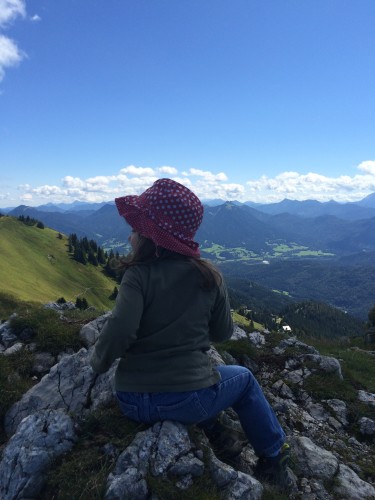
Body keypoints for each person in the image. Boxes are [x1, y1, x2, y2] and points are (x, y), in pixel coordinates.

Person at [90, 178, 295, 491]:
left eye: (136, 227)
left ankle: (215, 429)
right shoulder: (208, 275)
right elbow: (223, 332)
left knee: (200, 389)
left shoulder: (137, 275)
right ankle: (272, 455)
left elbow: (119, 330)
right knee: (244, 380)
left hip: (131, 401)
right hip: (190, 401)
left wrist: (97, 364)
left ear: (149, 237)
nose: (130, 233)